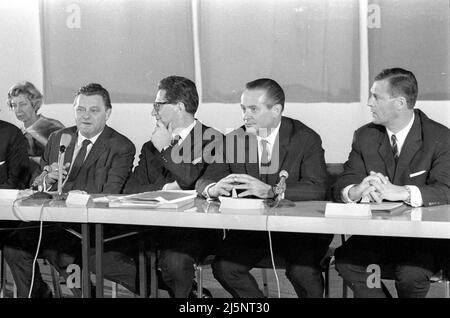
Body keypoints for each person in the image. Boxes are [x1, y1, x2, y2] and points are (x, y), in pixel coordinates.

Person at [196, 78, 332, 298]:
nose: (245, 116)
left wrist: (271, 191)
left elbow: (317, 189)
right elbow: (204, 181)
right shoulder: (234, 139)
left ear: (276, 110)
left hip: (300, 231)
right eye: (243, 109)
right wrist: (213, 188)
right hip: (255, 230)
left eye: (253, 109)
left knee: (302, 272)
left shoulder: (305, 138)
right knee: (225, 267)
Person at [3, 83, 136, 297]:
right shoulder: (58, 138)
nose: (85, 116)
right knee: (14, 247)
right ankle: (38, 294)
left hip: (88, 227)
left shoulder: (121, 146)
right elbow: (36, 184)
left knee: (63, 254)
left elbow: (110, 194)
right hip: (53, 222)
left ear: (107, 113)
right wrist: (47, 178)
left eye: (94, 110)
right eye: (80, 109)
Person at [97, 76, 223, 297]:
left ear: (179, 107)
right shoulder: (150, 146)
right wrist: (166, 189)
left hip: (192, 230)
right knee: (97, 256)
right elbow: (130, 189)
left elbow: (195, 186)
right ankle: (183, 292)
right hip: (149, 227)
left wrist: (166, 151)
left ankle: (181, 293)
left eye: (158, 105)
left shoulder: (213, 141)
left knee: (173, 262)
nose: (152, 112)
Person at [333, 67, 450, 298]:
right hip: (378, 235)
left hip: (423, 239)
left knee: (410, 274)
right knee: (347, 261)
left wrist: (404, 192)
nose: (369, 103)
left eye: (376, 96)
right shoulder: (365, 136)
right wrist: (356, 190)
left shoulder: (440, 137)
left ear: (400, 103)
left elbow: (446, 190)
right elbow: (342, 184)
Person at [7, 81, 64, 181]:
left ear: (34, 104)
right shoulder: (17, 133)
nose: (18, 110)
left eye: (23, 104)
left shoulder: (53, 127)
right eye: (14, 105)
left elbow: (66, 158)